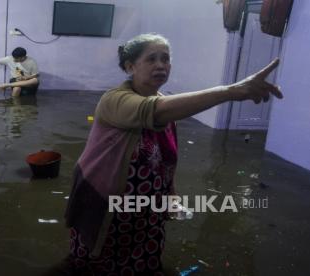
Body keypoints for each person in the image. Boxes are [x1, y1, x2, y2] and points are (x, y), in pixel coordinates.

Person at [64, 33, 282, 275]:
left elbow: (166, 159)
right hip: (105, 204)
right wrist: (231, 90)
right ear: (130, 66)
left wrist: (171, 195)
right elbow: (153, 111)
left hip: (147, 208)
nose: (160, 65)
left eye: (165, 59)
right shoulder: (114, 100)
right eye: (151, 59)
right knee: (98, 262)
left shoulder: (167, 107)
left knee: (144, 261)